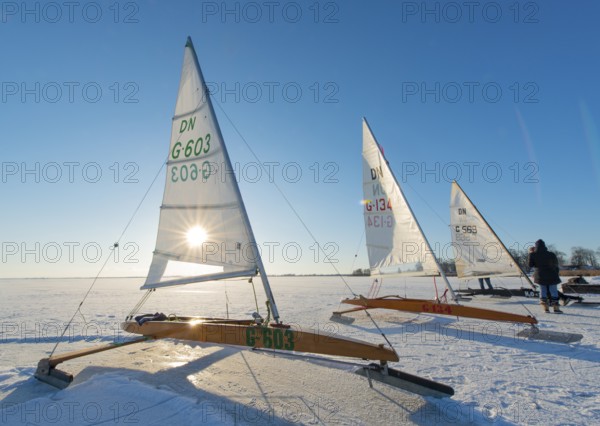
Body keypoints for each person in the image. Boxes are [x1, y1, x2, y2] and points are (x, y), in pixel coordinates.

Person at [528, 239, 562, 313]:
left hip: (541, 275)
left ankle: (545, 307)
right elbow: (556, 264)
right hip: (552, 275)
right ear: (544, 246)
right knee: (553, 291)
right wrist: (556, 272)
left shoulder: (533, 254)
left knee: (543, 290)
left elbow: (530, 265)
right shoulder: (551, 254)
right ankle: (556, 308)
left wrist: (531, 253)